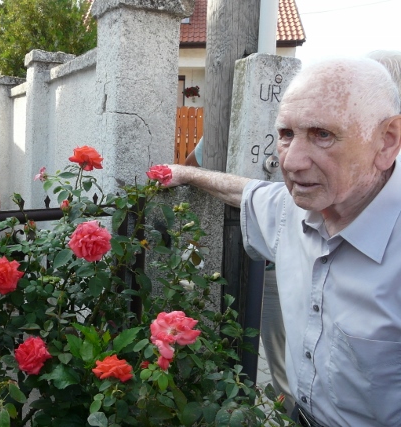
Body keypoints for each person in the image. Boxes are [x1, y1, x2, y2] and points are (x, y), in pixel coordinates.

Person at [165, 58, 401, 427]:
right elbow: (247, 192)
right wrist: (185, 173)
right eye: (287, 133)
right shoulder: (295, 208)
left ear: (386, 141)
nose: (291, 163)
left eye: (323, 134)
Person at [184, 137, 294, 412]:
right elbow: (190, 166)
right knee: (276, 360)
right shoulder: (230, 131)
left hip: (291, 260)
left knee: (294, 360)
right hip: (251, 261)